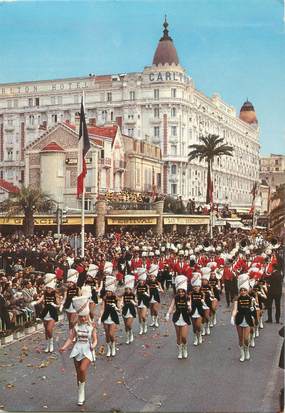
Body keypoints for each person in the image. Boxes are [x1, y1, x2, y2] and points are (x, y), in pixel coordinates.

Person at [59, 296, 97, 406]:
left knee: (82, 369)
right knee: (78, 373)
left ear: (87, 317)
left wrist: (93, 346)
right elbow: (70, 339)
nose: (83, 319)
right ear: (79, 317)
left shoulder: (92, 327)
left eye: (85, 317)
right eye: (81, 317)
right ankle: (81, 392)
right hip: (77, 350)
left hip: (88, 350)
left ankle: (82, 391)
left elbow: (95, 340)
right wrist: (64, 347)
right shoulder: (76, 327)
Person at [165, 275, 191, 359]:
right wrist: (168, 314)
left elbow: (190, 310)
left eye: (182, 291)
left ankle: (185, 348)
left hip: (185, 318)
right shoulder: (175, 298)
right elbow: (172, 306)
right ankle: (180, 351)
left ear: (185, 291)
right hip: (176, 318)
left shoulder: (188, 298)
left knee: (183, 337)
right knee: (178, 336)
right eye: (179, 291)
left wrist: (189, 307)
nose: (181, 293)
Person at [231, 274, 255, 362]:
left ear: (247, 291)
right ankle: (242, 353)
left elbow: (253, 309)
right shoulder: (237, 299)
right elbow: (235, 309)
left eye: (245, 290)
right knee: (240, 338)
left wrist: (253, 316)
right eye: (242, 290)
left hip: (248, 319)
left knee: (246, 338)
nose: (243, 291)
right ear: (239, 291)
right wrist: (232, 317)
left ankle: (247, 350)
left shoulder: (251, 299)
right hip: (239, 319)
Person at [37, 273, 60, 353]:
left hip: (52, 313)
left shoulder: (55, 294)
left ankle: (51, 343)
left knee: (49, 329)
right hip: (45, 312)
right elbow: (40, 300)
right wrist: (35, 303)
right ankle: (47, 345)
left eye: (50, 288)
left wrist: (55, 305)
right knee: (46, 330)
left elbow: (58, 304)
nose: (48, 290)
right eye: (47, 288)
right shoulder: (44, 294)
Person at [99, 275, 119, 357]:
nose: (108, 292)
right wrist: (100, 317)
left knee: (111, 334)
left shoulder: (116, 298)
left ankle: (113, 346)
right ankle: (109, 348)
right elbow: (102, 308)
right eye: (107, 291)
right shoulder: (105, 298)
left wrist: (116, 307)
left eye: (109, 291)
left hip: (113, 317)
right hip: (106, 317)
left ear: (112, 291)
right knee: (107, 335)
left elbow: (119, 309)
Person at [189, 273, 204, 346]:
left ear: (199, 286)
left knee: (198, 325)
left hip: (200, 311)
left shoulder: (202, 293)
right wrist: (189, 306)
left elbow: (204, 301)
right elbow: (190, 301)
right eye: (194, 286)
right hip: (193, 311)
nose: (195, 288)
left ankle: (200, 335)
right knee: (194, 326)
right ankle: (195, 337)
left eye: (197, 286)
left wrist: (203, 301)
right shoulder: (191, 294)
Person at [121, 274, 136, 344]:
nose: (127, 290)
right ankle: (127, 337)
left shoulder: (133, 295)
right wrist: (120, 304)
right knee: (125, 325)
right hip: (125, 310)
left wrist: (134, 303)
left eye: (128, 289)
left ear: (130, 289)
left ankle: (131, 333)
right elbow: (118, 298)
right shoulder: (124, 294)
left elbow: (137, 303)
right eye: (126, 289)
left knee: (128, 324)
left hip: (131, 310)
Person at [136, 268, 150, 335]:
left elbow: (149, 295)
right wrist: (135, 300)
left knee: (143, 316)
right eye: (140, 280)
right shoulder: (137, 286)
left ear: (144, 280)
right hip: (139, 302)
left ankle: (145, 325)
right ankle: (141, 328)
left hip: (145, 302)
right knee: (139, 317)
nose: (141, 281)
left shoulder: (146, 286)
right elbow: (135, 294)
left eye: (142, 280)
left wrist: (146, 294)